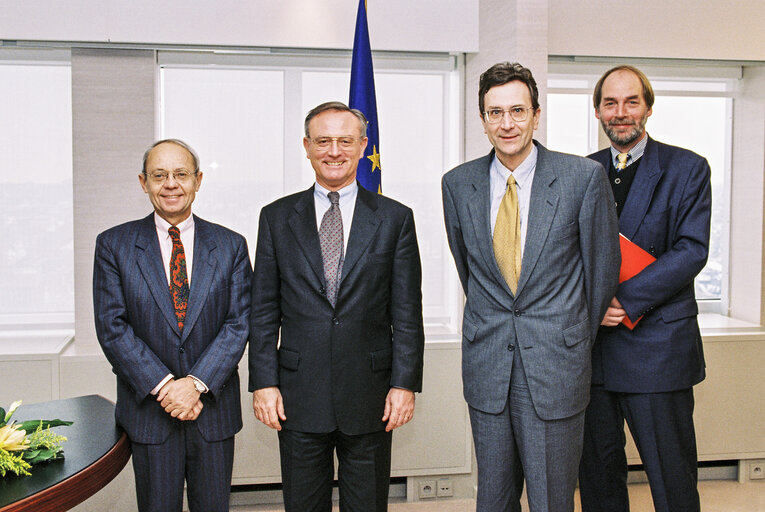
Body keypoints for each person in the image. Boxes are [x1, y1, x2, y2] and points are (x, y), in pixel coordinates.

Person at [441, 62, 620, 512]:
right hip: (487, 367)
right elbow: (473, 274)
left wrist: (569, 337)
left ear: (536, 114)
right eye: (495, 112)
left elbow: (601, 274)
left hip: (556, 368)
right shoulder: (457, 184)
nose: (507, 123)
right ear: (482, 119)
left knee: (551, 499)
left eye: (517, 110)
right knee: (494, 500)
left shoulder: (582, 178)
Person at [248, 101, 425, 512]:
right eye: (323, 141)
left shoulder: (395, 218)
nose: (334, 151)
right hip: (296, 395)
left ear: (363, 146)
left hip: (371, 395)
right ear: (306, 146)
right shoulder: (275, 218)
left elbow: (406, 313)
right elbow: (262, 311)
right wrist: (263, 382)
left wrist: (404, 384)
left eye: (345, 141)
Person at [578, 65, 711, 512]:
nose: (620, 113)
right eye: (610, 103)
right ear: (598, 110)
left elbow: (691, 251)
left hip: (658, 350)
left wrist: (623, 300)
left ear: (648, 108)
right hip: (593, 354)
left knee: (671, 479)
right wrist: (592, 306)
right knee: (597, 479)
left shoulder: (687, 168)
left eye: (631, 102)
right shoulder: (582, 172)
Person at [93, 139, 251, 512]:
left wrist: (195, 385)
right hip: (150, 413)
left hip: (212, 410)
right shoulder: (114, 245)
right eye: (159, 175)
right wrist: (167, 388)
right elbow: (112, 326)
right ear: (142, 182)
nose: (170, 184)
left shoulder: (231, 245)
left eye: (180, 174)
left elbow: (239, 322)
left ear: (197, 181)